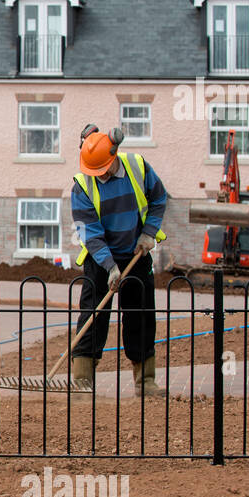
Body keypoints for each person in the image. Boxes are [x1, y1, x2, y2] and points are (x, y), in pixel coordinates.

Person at [70, 125, 169, 396]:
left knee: (141, 317)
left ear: (114, 156)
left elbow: (159, 198)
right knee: (93, 317)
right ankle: (82, 382)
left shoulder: (137, 166)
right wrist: (110, 267)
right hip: (100, 260)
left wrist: (149, 234)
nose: (99, 175)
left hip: (136, 255)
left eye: (103, 169)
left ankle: (145, 382)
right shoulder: (81, 186)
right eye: (95, 171)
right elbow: (89, 233)